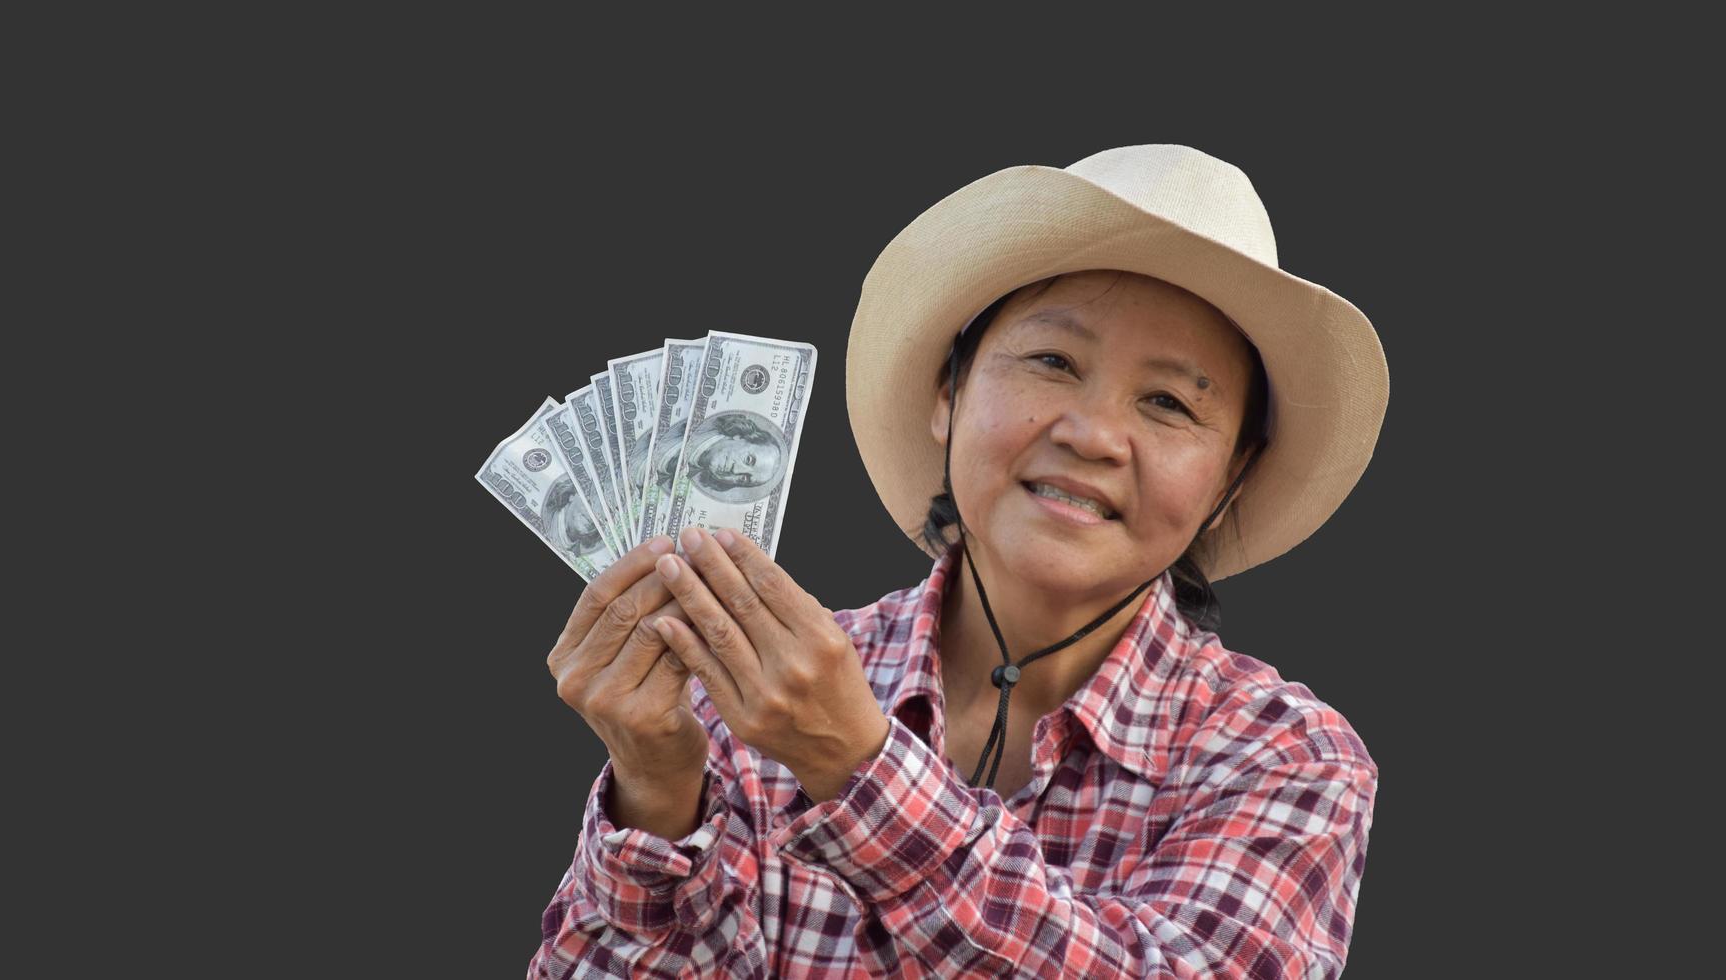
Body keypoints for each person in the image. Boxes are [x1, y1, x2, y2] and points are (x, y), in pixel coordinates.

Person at [533, 144, 1388, 978]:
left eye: (1167, 403)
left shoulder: (1284, 757)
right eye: (1052, 361)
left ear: (1230, 480)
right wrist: (654, 789)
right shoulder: (735, 698)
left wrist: (857, 769)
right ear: (948, 394)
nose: (1090, 435)